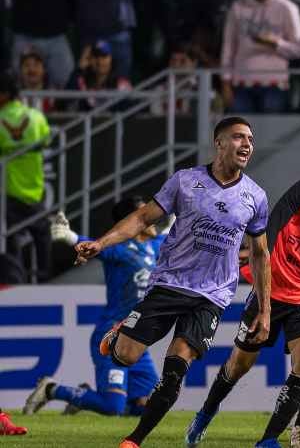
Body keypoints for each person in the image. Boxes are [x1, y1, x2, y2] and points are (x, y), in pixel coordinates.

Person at [73, 116, 270, 448]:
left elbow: (261, 254)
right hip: (170, 283)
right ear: (219, 142)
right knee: (125, 356)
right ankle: (121, 332)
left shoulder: (256, 196)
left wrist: (265, 310)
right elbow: (142, 218)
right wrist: (101, 243)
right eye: (238, 137)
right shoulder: (185, 181)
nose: (247, 144)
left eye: (250, 138)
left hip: (213, 295)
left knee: (176, 369)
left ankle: (134, 440)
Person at [185, 140, 300, 448]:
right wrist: (259, 270)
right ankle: (206, 412)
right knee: (239, 364)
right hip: (271, 289)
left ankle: (268, 439)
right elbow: (271, 225)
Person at [23, 197, 164, 418]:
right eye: (145, 212)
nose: (152, 216)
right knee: (113, 407)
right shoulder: (120, 249)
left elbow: (168, 238)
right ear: (132, 221)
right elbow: (98, 246)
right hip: (112, 335)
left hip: (136, 340)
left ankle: (86, 398)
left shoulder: (151, 247)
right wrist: (70, 237)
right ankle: (52, 389)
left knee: (152, 404)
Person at [221, 0, 300, 113]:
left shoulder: (288, 8)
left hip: (274, 85)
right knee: (240, 135)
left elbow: (298, 49)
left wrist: (275, 43)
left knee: (271, 135)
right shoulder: (237, 7)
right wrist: (226, 84)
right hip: (240, 85)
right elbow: (228, 48)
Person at [0, 73, 51, 281]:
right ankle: (46, 277)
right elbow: (47, 140)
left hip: (9, 191)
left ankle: (15, 280)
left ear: (4, 94)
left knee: (11, 238)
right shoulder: (36, 117)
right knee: (43, 233)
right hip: (35, 191)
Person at [63, 42, 134, 112]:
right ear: (89, 60)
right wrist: (79, 69)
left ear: (111, 59)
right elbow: (66, 100)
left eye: (104, 56)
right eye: (96, 57)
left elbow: (130, 114)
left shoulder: (122, 84)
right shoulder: (81, 82)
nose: (100, 61)